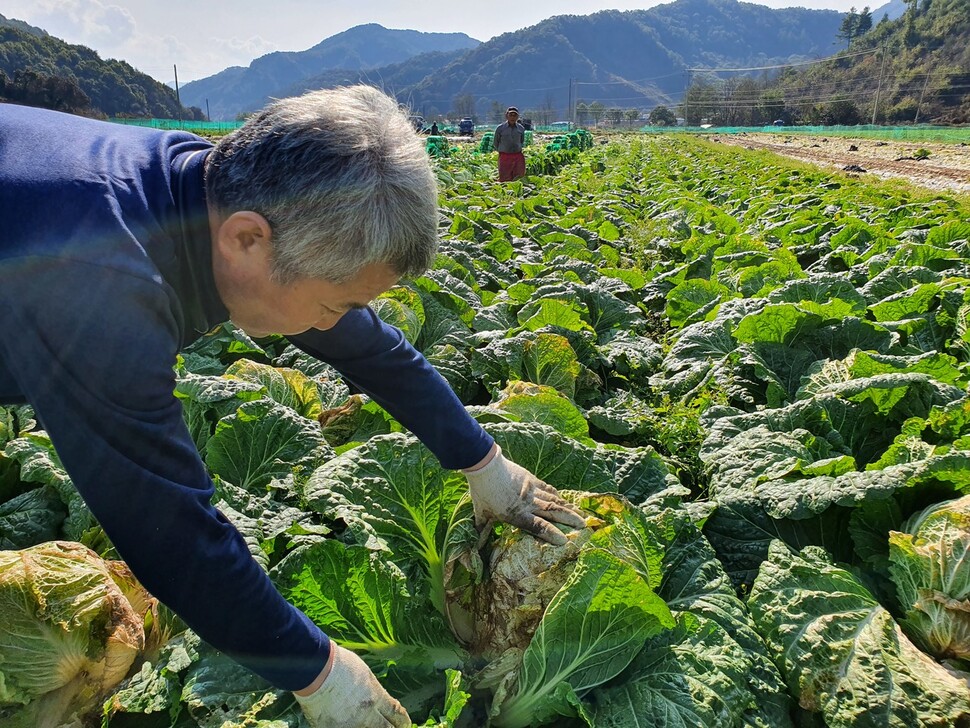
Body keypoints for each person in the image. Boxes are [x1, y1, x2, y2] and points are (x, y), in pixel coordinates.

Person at [0, 85, 586, 727]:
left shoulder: (204, 189)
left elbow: (365, 344)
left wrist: (483, 464)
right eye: (335, 302)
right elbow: (167, 530)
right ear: (248, 241)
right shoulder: (100, 277)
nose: (338, 322)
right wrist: (320, 674)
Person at [493, 106, 526, 182]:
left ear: (517, 117)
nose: (512, 117)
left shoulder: (521, 128)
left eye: (515, 115)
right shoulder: (500, 128)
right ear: (506, 116)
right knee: (505, 178)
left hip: (518, 155)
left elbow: (521, 141)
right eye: (511, 115)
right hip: (505, 156)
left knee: (518, 177)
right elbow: (496, 142)